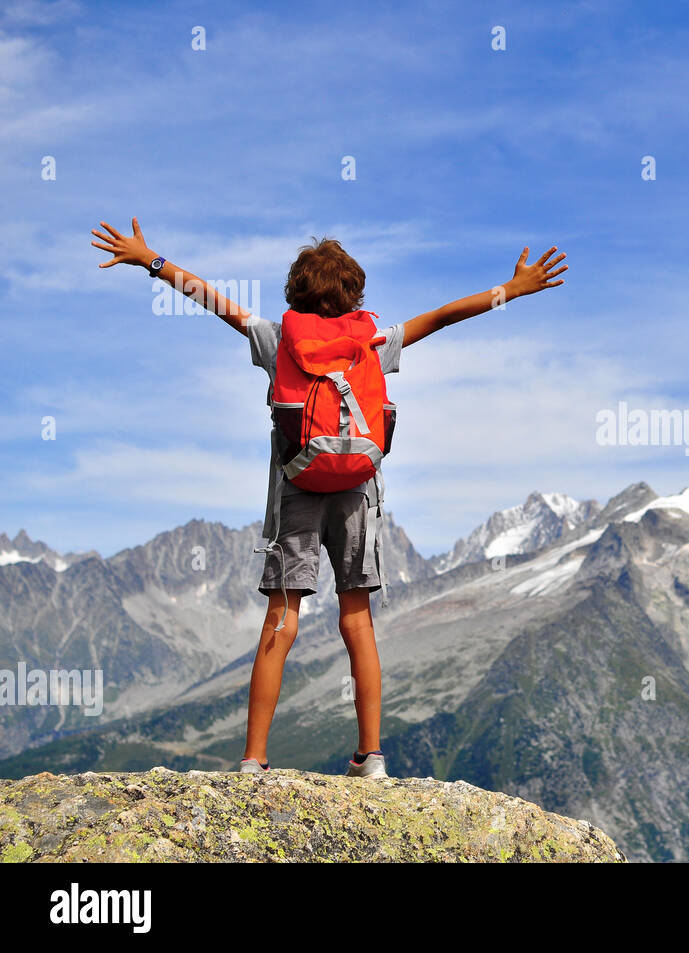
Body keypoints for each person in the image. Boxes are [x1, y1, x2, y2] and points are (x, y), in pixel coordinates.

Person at [91, 217, 566, 777]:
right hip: (357, 488)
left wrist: (149, 259)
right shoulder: (373, 343)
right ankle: (371, 756)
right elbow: (441, 317)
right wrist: (511, 290)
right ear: (355, 295)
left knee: (281, 617)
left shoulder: (276, 337)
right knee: (356, 619)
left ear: (295, 292)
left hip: (297, 484)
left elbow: (211, 299)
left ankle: (253, 760)